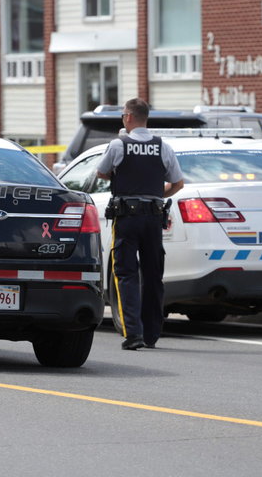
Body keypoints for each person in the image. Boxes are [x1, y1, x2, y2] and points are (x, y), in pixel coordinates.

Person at [96, 98, 184, 350]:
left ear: (129, 118)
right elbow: (178, 184)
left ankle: (132, 333)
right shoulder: (162, 147)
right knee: (154, 275)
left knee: (125, 274)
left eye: (123, 115)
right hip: (154, 218)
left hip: (127, 218)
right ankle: (152, 334)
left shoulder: (118, 144)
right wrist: (157, 197)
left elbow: (101, 173)